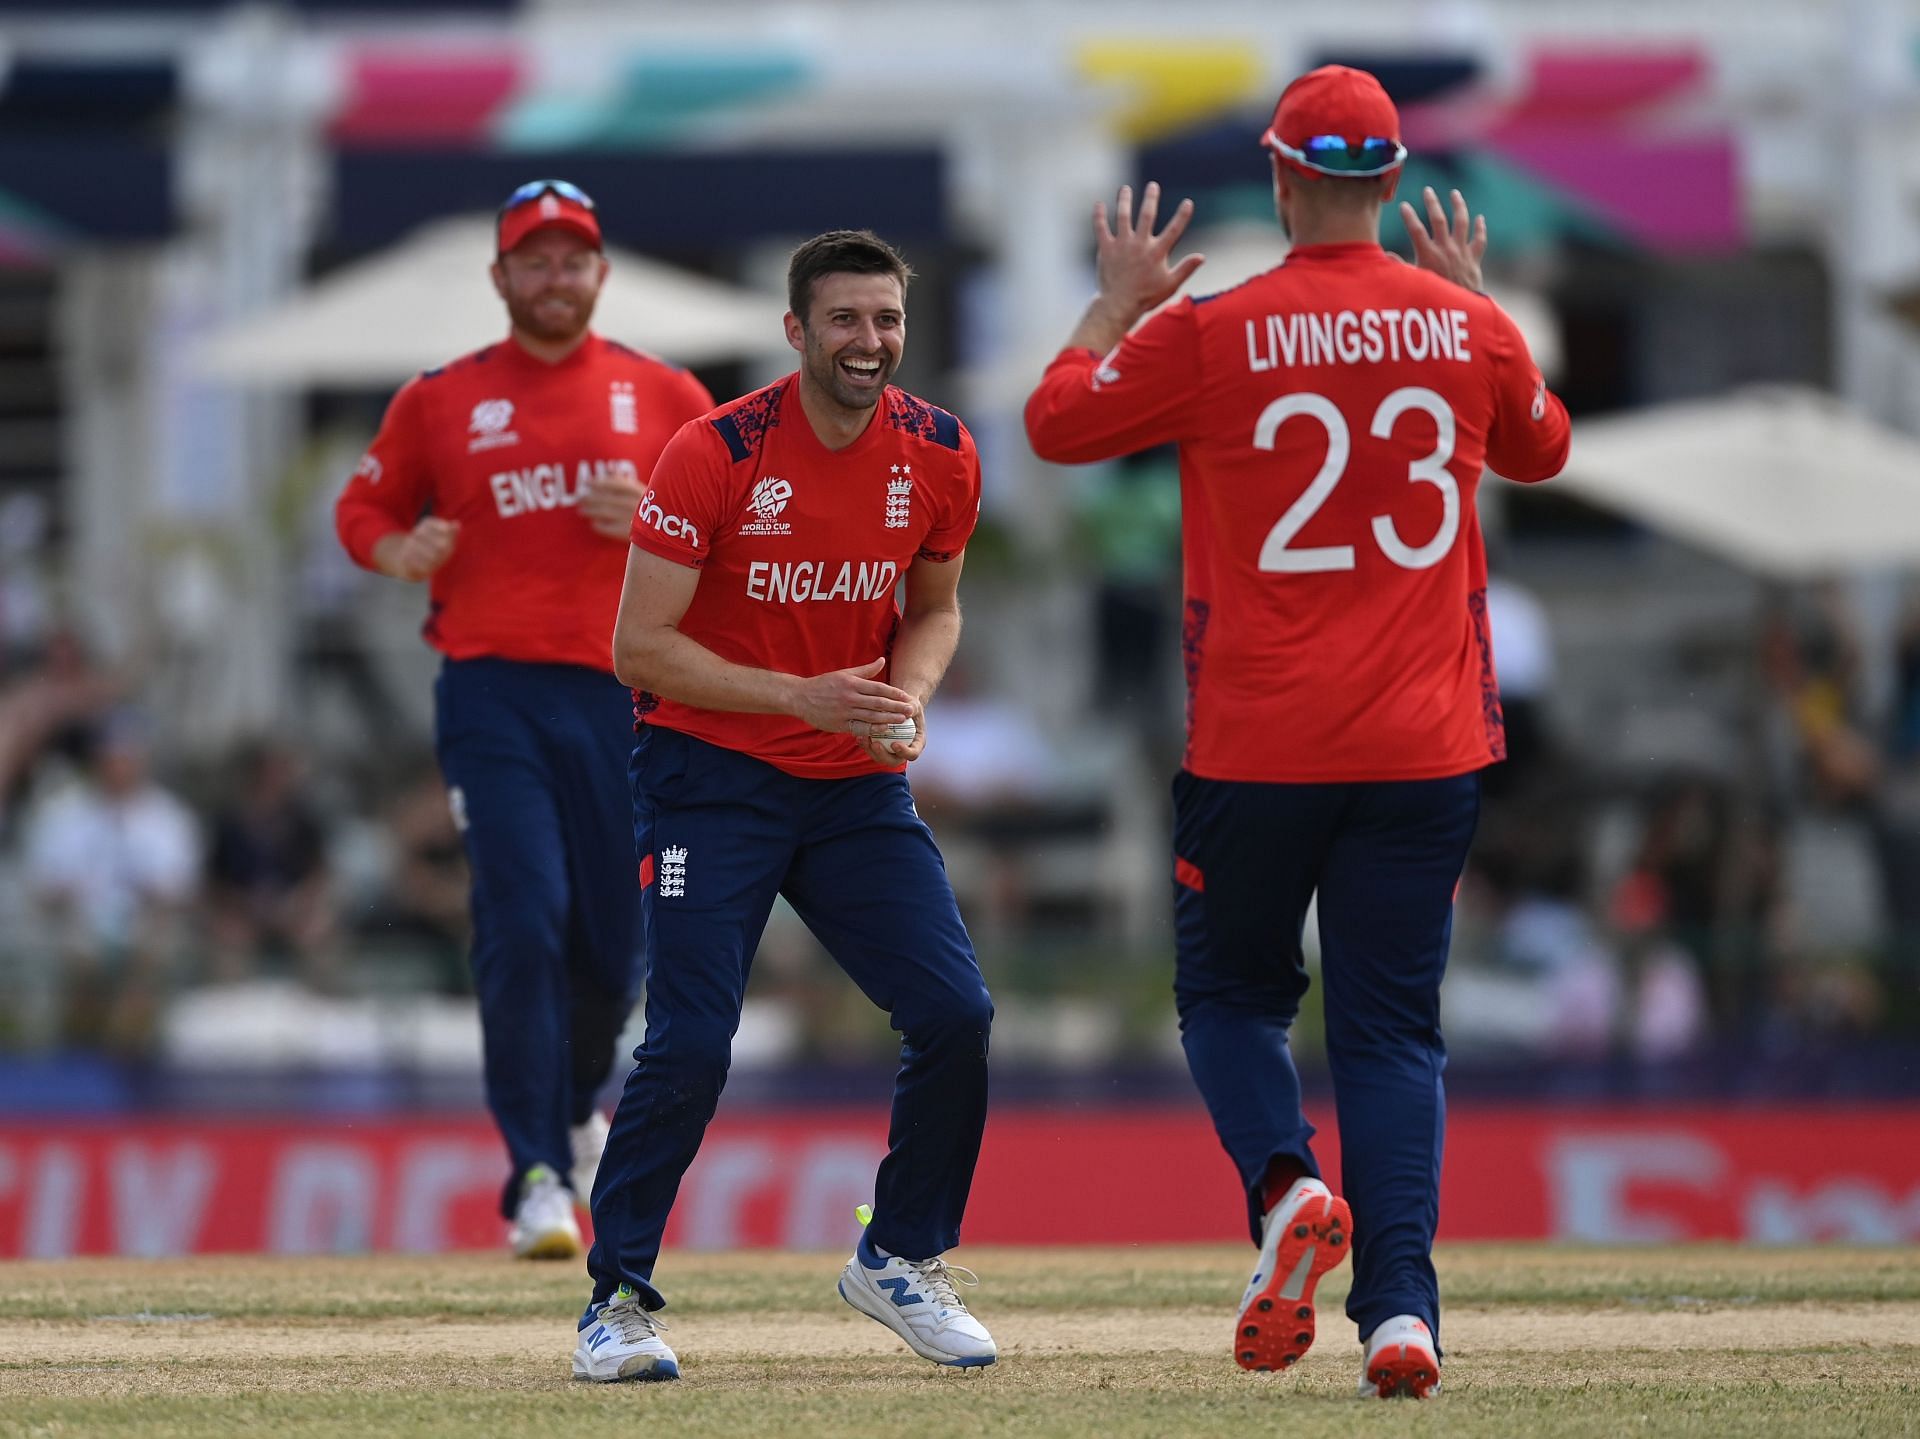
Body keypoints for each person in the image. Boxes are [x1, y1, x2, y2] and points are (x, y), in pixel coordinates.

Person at [1024, 65, 1570, 1400]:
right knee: (1391, 1035)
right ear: (1391, 187)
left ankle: (1285, 1183)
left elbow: (1054, 422)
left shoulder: (1210, 332)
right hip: (1426, 744)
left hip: (1259, 742)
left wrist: (1115, 302)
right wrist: (1479, 308)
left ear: (1277, 182)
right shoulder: (1463, 327)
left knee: (1227, 995)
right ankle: (1402, 1314)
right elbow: (1544, 450)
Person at [571, 230, 996, 1383]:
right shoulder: (713, 453)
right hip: (708, 780)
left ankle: (900, 1254)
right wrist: (800, 694)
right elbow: (637, 650)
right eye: (847, 321)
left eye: (888, 320)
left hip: (853, 784)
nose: (872, 343)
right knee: (695, 1041)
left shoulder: (945, 451)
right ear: (798, 332)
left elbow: (936, 608)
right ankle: (615, 1300)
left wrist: (902, 699)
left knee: (957, 1012)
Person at [334, 179, 715, 1259]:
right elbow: (363, 503)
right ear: (501, 278)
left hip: (627, 691)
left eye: (574, 259)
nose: (557, 278)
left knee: (614, 937)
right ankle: (536, 1173)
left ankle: (579, 1113)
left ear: (601, 273)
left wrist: (649, 509)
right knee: (523, 911)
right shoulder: (441, 399)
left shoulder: (668, 394)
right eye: (535, 261)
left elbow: (737, 529)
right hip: (493, 688)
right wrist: (393, 549)